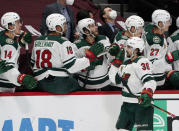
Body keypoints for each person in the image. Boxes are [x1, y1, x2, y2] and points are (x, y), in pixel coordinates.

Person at [31, 13, 104, 93]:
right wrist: (89, 58)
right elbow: (72, 67)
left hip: (39, 82)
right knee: (80, 88)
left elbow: (32, 64)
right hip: (58, 83)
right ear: (58, 27)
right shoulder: (63, 42)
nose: (66, 27)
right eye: (64, 24)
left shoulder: (38, 40)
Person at [109, 37, 156, 130]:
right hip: (127, 104)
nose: (126, 49)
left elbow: (150, 81)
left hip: (141, 105)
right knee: (122, 129)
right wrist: (116, 63)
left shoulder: (142, 61)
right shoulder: (125, 63)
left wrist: (147, 93)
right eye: (127, 46)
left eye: (129, 47)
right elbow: (115, 80)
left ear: (136, 50)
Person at [0, 12, 37, 92]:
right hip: (4, 85)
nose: (20, 25)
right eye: (17, 23)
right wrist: (21, 78)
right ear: (10, 26)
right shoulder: (9, 45)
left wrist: (20, 43)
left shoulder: (3, 35)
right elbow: (7, 69)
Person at [73, 18, 111, 90]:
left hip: (105, 83)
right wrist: (85, 67)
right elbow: (72, 67)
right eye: (92, 26)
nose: (96, 27)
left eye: (95, 25)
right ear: (85, 30)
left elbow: (110, 56)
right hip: (86, 85)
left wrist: (113, 52)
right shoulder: (77, 45)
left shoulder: (104, 39)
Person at [143, 9, 173, 87]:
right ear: (160, 24)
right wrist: (168, 64)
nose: (169, 24)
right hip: (154, 78)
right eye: (167, 22)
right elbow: (154, 63)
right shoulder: (156, 42)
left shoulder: (150, 27)